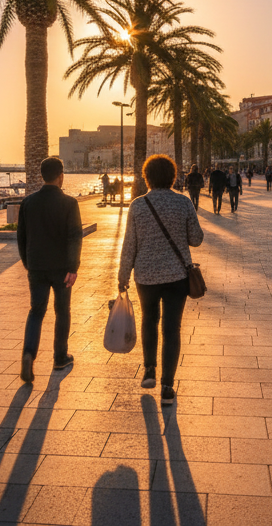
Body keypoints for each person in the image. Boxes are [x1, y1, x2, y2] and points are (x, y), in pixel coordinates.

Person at [119, 155, 203, 407]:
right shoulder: (183, 202)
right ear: (173, 176)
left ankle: (149, 370)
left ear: (147, 177)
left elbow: (129, 244)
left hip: (145, 276)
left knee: (149, 320)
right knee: (171, 328)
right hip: (177, 275)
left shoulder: (138, 205)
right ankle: (167, 387)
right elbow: (196, 239)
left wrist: (123, 275)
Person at [12, 157, 83, 382]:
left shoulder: (28, 203)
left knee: (36, 311)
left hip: (37, 267)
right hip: (62, 268)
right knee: (62, 311)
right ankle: (60, 356)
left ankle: (28, 354)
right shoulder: (70, 203)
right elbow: (75, 237)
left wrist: (27, 262)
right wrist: (73, 267)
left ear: (42, 175)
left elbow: (21, 237)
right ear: (61, 176)